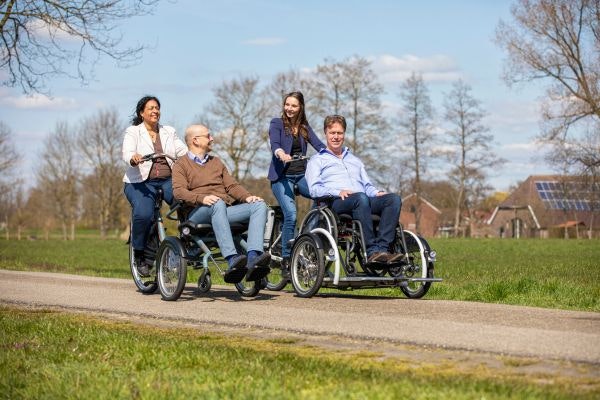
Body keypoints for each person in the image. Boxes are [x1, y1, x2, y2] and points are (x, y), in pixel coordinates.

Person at [172, 124, 270, 284]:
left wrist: (247, 197)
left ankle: (253, 257)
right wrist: (201, 198)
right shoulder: (181, 165)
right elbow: (179, 192)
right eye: (208, 136)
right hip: (198, 213)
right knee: (216, 203)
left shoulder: (216, 162)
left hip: (222, 210)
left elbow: (231, 186)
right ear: (195, 140)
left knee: (259, 205)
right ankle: (232, 258)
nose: (212, 139)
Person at [305, 114, 403, 264]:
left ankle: (383, 249)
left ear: (344, 134)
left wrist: (377, 193)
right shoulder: (317, 160)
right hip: (337, 202)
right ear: (325, 133)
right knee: (360, 198)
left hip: (362, 199)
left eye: (339, 133)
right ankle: (371, 252)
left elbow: (367, 185)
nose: (336, 137)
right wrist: (338, 192)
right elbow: (314, 190)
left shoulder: (354, 160)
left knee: (393, 199)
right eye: (332, 133)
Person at [123, 95, 188, 277]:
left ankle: (187, 237)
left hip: (168, 180)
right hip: (140, 183)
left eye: (157, 108)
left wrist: (195, 154)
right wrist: (133, 158)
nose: (155, 111)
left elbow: (183, 152)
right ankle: (140, 253)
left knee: (186, 201)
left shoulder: (168, 131)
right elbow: (127, 152)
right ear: (142, 113)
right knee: (143, 214)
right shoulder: (133, 132)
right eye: (151, 108)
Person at [268, 91, 325, 276]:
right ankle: (286, 259)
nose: (289, 108)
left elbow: (319, 145)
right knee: (291, 215)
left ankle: (306, 235)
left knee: (321, 197)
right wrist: (280, 154)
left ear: (300, 107)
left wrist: (333, 155)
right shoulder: (277, 123)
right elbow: (275, 143)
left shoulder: (304, 127)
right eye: (287, 105)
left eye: (294, 105)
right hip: (282, 176)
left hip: (301, 174)